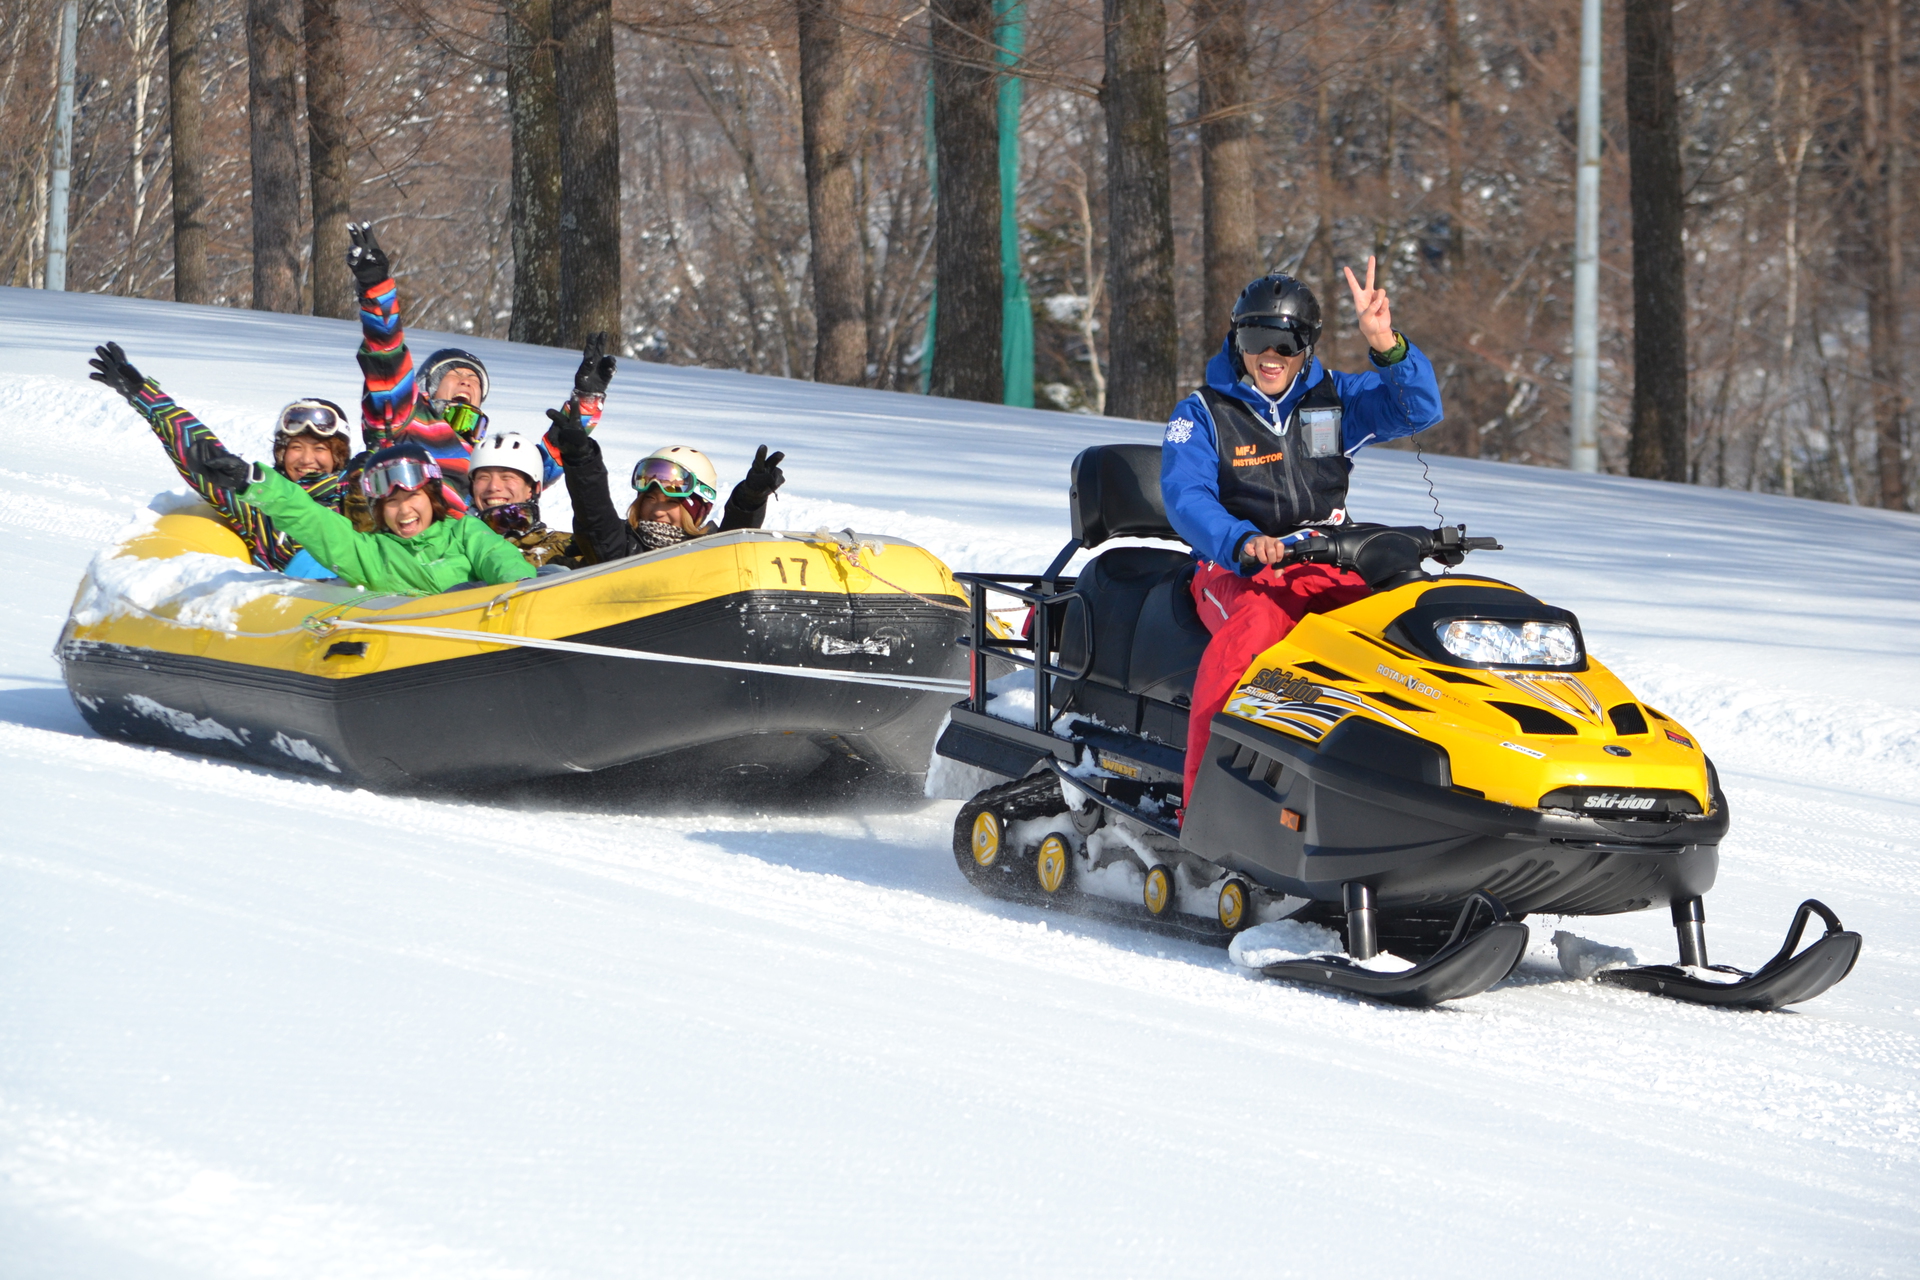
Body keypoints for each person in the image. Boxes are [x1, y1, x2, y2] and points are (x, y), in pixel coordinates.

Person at [1160, 258, 1445, 811]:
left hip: (1328, 559)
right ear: (1237, 340)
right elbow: (1185, 495)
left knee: (1396, 632)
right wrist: (1242, 542)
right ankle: (1204, 807)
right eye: (1256, 339)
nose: (1270, 356)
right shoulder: (1203, 413)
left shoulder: (1334, 398)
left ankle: (1403, 786)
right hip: (1235, 568)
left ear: (1307, 347)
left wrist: (1387, 345)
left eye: (1286, 343)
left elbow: (1418, 410)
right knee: (1253, 634)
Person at [345, 222, 603, 511]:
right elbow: (386, 361)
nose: (466, 381)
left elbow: (535, 469)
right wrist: (376, 291)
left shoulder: (484, 456)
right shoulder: (405, 420)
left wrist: (586, 402)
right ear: (428, 386)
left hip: (468, 537)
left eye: (475, 379)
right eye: (454, 374)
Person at [87, 341, 350, 577]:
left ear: (338, 455)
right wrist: (144, 395)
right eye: (296, 447)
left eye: (320, 448)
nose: (306, 459)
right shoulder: (259, 501)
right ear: (282, 453)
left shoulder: (356, 497)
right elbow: (202, 453)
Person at [190, 438, 535, 594]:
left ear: (432, 497)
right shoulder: (373, 554)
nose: (404, 510)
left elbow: (496, 556)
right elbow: (313, 521)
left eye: (413, 496)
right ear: (379, 511)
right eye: (391, 502)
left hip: (487, 631)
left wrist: (521, 589)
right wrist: (253, 482)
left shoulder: (464, 532)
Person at [545, 406, 786, 563]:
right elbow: (595, 518)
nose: (658, 511)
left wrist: (749, 501)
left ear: (698, 510)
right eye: (650, 499)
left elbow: (733, 549)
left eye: (671, 502)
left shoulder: (708, 555)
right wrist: (582, 461)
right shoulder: (622, 547)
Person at [468, 431, 583, 568]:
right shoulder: (454, 545)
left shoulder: (566, 549)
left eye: (507, 477)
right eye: (483, 477)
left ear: (533, 489)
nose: (493, 487)